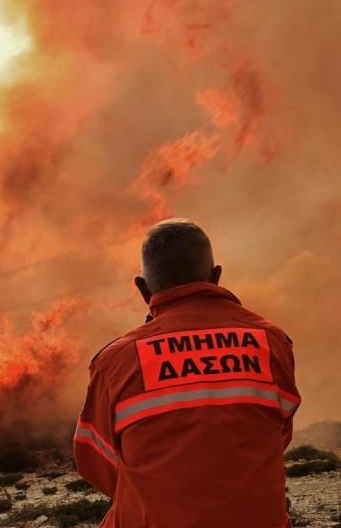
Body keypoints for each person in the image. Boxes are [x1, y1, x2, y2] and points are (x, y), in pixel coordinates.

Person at [73, 218, 300, 528]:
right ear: (216, 276)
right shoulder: (272, 342)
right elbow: (278, 433)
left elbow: (94, 461)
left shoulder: (117, 360)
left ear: (142, 288)